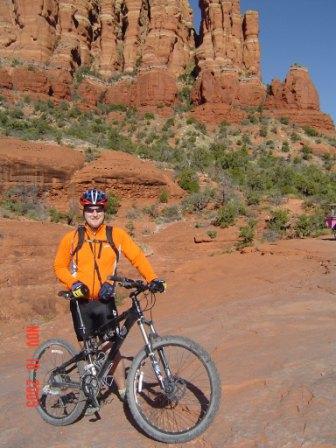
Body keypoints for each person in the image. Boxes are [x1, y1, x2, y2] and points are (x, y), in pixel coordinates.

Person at [53, 188, 165, 406]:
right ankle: (89, 389)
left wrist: (152, 278)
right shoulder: (73, 237)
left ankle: (123, 390)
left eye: (98, 210)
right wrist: (73, 282)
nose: (94, 214)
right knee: (86, 348)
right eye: (90, 209)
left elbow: (137, 256)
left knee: (111, 346)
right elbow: (59, 266)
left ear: (104, 211)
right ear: (84, 211)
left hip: (105, 301)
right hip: (81, 302)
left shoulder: (116, 235)